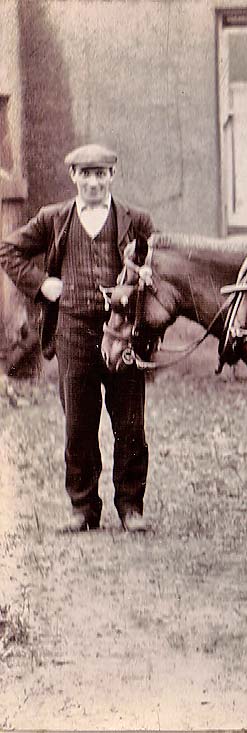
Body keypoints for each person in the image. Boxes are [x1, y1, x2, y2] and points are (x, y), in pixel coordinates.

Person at [0, 143, 156, 533]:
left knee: (130, 422)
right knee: (78, 424)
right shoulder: (54, 219)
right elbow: (9, 250)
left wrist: (140, 284)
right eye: (85, 175)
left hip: (121, 334)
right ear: (74, 178)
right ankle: (83, 508)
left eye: (100, 174)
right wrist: (43, 285)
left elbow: (160, 263)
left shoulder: (136, 220)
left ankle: (131, 507)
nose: (93, 182)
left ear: (111, 177)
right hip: (72, 332)